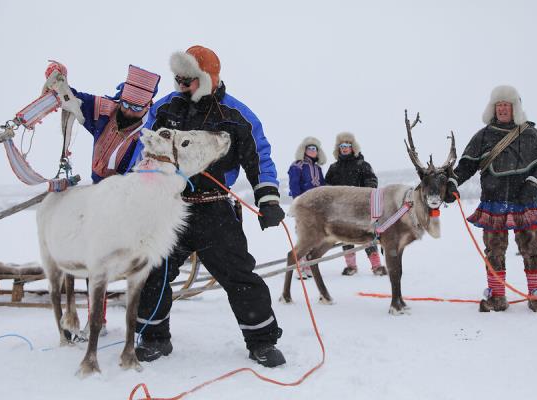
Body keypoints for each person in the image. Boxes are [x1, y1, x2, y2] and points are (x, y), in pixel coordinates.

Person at [131, 46, 286, 367]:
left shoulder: (236, 116)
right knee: (154, 272)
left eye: (187, 80)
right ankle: (154, 337)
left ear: (207, 78)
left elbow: (259, 158)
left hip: (215, 210)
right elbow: (142, 150)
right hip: (170, 208)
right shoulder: (165, 108)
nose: (181, 85)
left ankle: (261, 341)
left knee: (239, 276)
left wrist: (267, 198)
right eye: (178, 79)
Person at [44, 62, 161, 335]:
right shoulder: (104, 110)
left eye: (137, 108)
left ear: (149, 105)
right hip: (98, 199)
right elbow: (68, 97)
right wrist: (57, 79)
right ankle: (98, 320)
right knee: (95, 257)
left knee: (141, 263)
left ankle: (147, 323)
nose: (130, 111)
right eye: (127, 105)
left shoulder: (153, 131)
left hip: (132, 201)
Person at [444, 85, 537, 314]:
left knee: (533, 248)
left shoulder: (530, 134)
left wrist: (534, 183)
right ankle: (497, 296)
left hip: (524, 201)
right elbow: (466, 165)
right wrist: (452, 183)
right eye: (499, 105)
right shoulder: (484, 135)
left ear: (515, 108)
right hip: (493, 201)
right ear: (493, 108)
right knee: (494, 250)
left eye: (507, 105)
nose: (503, 109)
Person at [324, 132, 387, 276]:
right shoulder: (334, 168)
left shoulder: (363, 165)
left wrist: (363, 193)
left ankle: (376, 266)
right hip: (341, 210)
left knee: (367, 236)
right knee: (345, 236)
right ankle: (351, 266)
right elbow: (327, 186)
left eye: (347, 145)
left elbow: (372, 182)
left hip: (361, 209)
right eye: (341, 146)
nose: (344, 148)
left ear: (353, 147)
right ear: (338, 148)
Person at [288, 137, 326, 279]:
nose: (312, 151)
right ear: (304, 150)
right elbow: (294, 185)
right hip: (304, 205)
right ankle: (299, 265)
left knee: (314, 235)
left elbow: (322, 186)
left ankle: (308, 264)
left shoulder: (317, 168)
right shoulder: (297, 166)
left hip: (317, 207)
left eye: (315, 149)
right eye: (310, 148)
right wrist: (298, 202)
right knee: (303, 235)